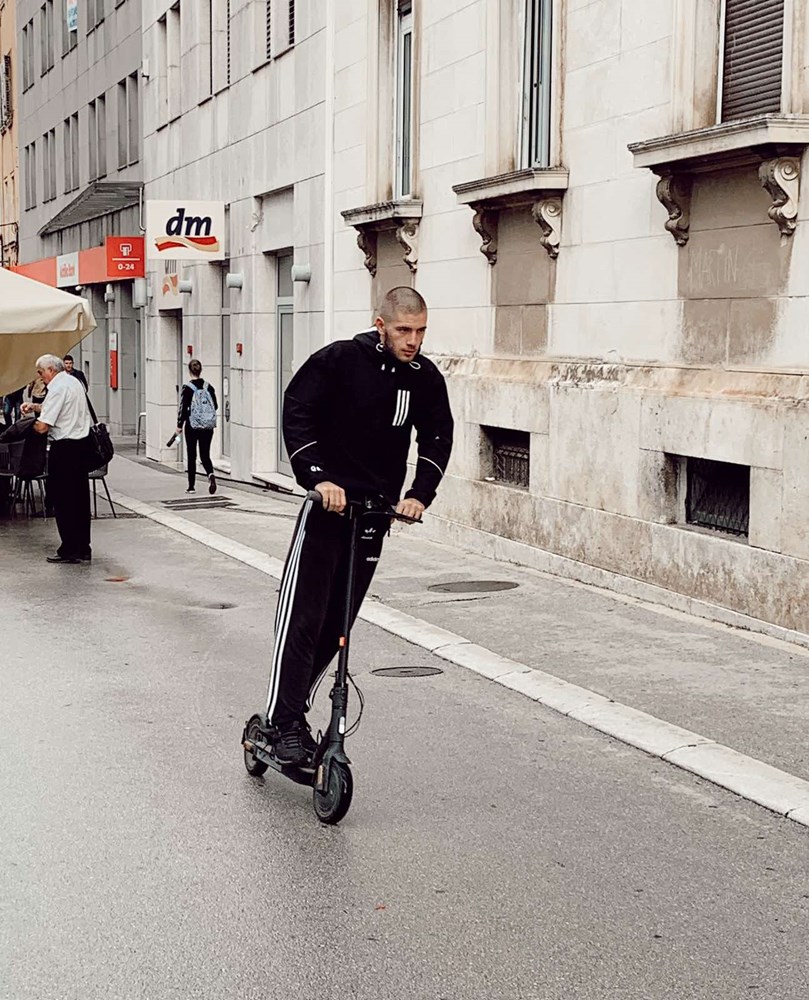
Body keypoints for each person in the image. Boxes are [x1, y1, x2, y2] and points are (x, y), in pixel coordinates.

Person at [261, 286, 454, 765]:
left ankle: (292, 715)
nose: (413, 340)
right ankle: (281, 723)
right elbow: (297, 410)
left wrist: (418, 494)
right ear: (381, 325)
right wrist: (318, 477)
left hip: (372, 515)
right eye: (404, 330)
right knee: (304, 619)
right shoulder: (340, 360)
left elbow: (437, 436)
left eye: (421, 331)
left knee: (337, 626)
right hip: (327, 511)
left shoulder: (424, 377)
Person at [22, 355, 92, 564]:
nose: (40, 376)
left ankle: (69, 548)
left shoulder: (57, 388)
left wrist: (25, 427)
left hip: (64, 448)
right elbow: (58, 409)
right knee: (80, 499)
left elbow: (43, 426)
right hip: (81, 445)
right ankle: (83, 547)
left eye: (41, 372)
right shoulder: (74, 382)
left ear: (51, 370)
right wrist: (35, 407)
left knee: (63, 499)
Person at [175, 359, 218, 495]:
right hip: (207, 427)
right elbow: (215, 406)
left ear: (190, 371)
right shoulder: (209, 387)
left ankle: (191, 487)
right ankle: (210, 474)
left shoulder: (187, 388)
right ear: (200, 370)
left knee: (191, 455)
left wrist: (179, 425)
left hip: (192, 427)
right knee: (205, 455)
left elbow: (183, 409)